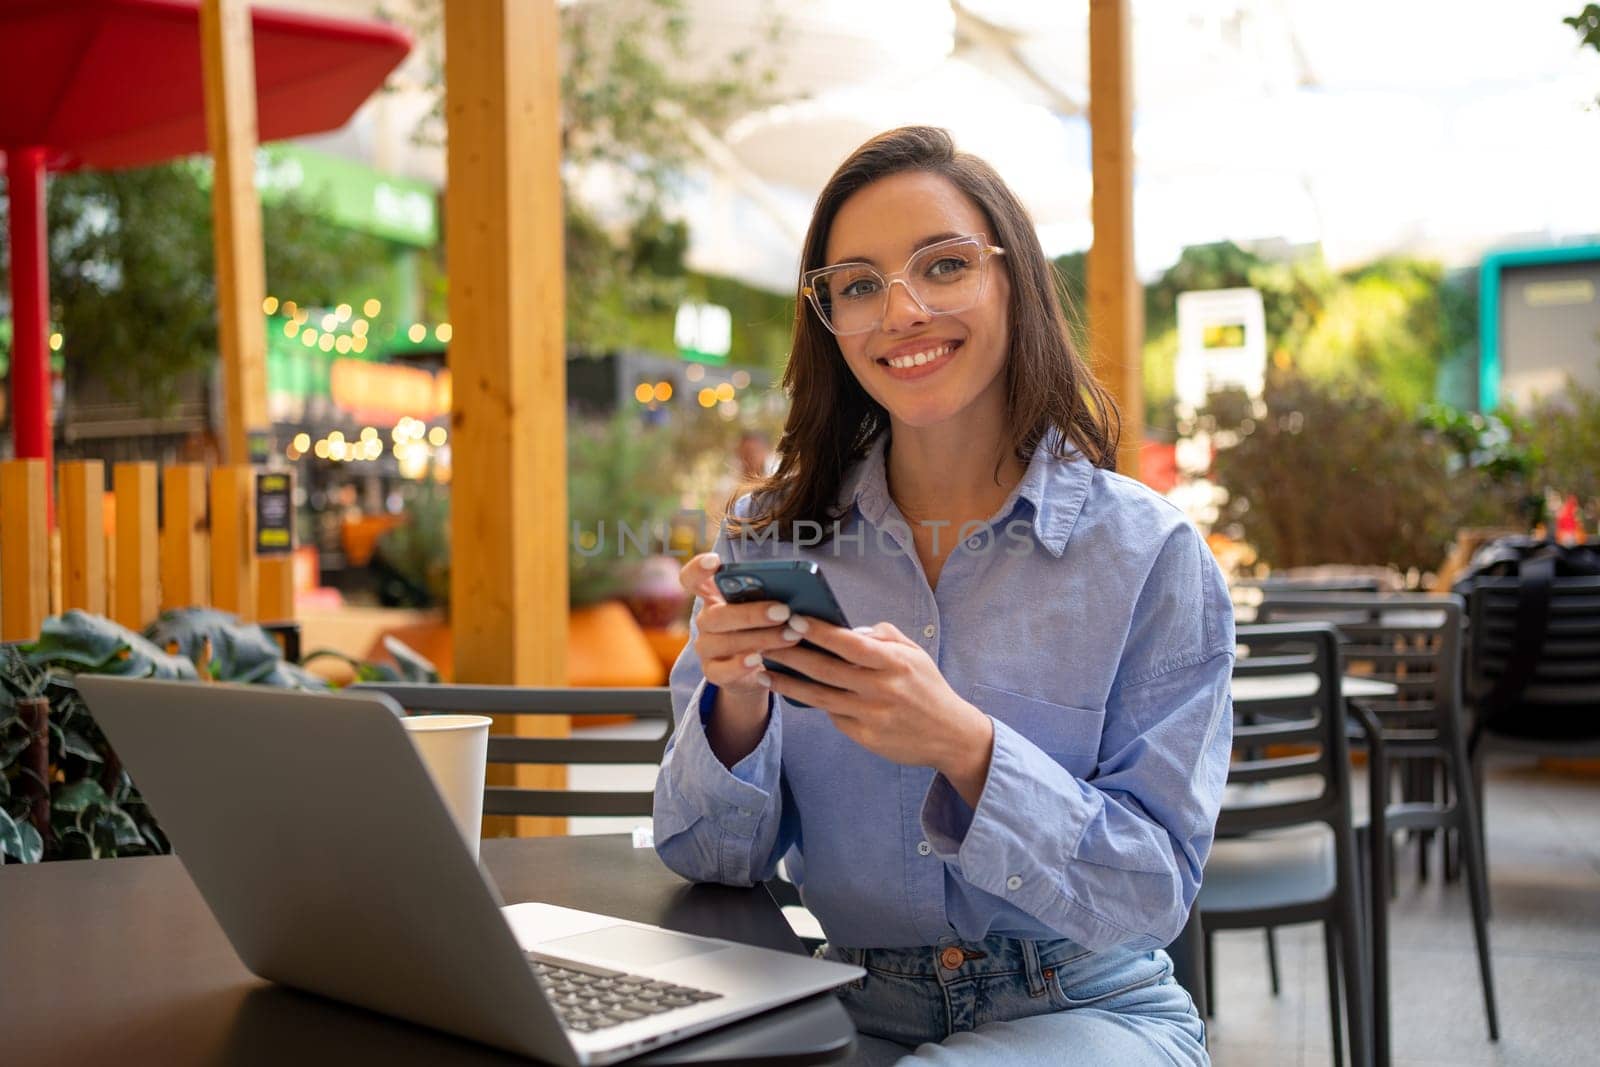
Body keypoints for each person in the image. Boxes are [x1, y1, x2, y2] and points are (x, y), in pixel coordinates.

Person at [653, 126, 1232, 1065]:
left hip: (1085, 1012)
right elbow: (707, 860)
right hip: (844, 1004)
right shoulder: (772, 534)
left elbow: (1153, 892)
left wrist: (965, 747)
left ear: (1014, 280)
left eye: (945, 265)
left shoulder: (1149, 554)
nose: (902, 311)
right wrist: (740, 705)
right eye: (859, 284)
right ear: (830, 319)